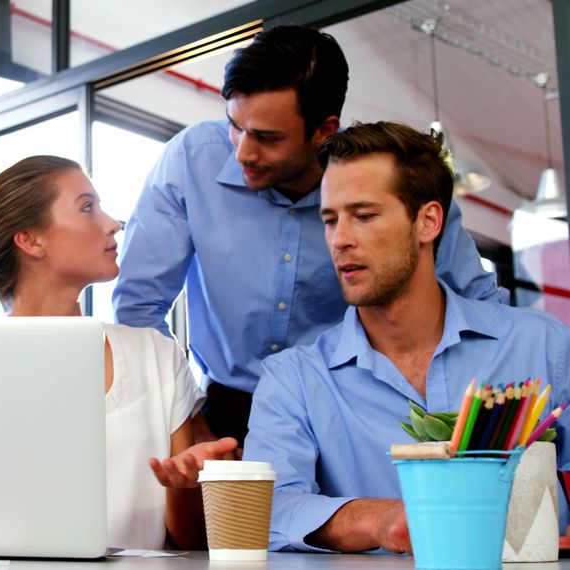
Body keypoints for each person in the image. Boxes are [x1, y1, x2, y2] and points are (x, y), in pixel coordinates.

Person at [113, 25, 503, 444]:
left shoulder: (392, 180)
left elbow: (477, 305)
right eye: (235, 125)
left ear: (324, 130)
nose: (243, 151)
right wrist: (185, 413)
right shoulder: (192, 160)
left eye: (266, 137)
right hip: (226, 414)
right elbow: (138, 308)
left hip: (356, 416)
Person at [243, 121, 570, 553]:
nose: (339, 239)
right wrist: (382, 521)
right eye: (330, 220)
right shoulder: (294, 379)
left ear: (428, 221)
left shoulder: (542, 345)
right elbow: (265, 510)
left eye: (363, 216)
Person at [0, 155, 238, 550]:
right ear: (31, 239)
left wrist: (185, 485)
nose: (112, 224)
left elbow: (188, 541)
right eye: (87, 208)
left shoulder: (156, 355)